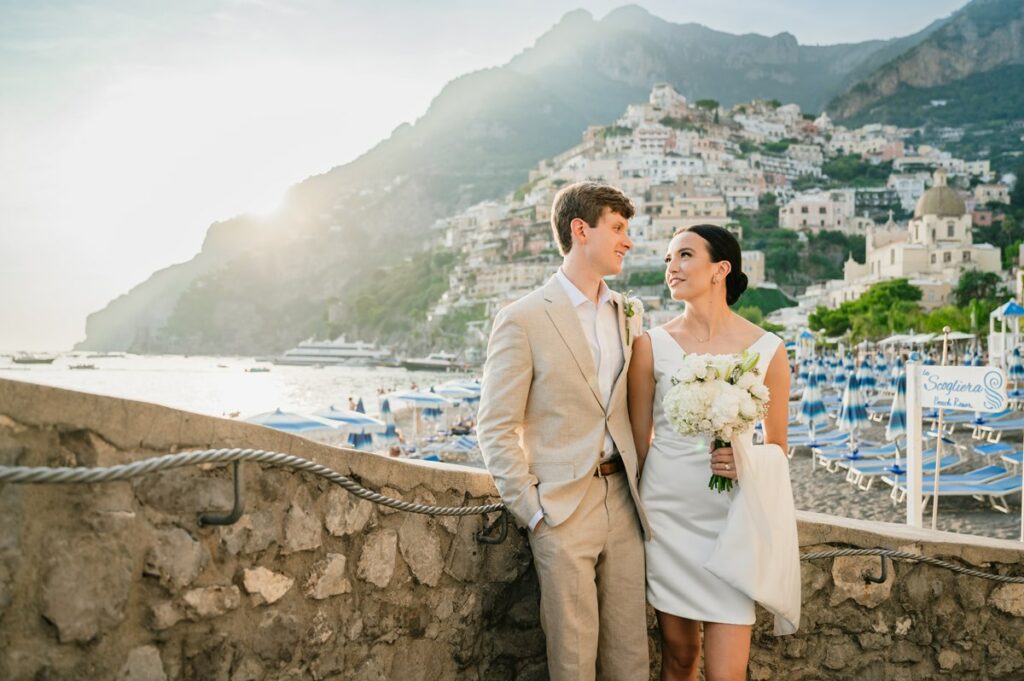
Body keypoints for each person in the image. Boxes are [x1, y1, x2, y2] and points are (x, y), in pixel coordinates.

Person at [478, 181, 651, 681]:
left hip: (623, 502)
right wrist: (533, 513)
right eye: (618, 228)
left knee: (630, 660)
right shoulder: (523, 319)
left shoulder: (627, 314)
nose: (628, 241)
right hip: (561, 509)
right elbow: (495, 426)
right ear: (581, 230)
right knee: (572, 662)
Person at [627, 224, 796, 681]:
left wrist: (748, 463)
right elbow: (638, 443)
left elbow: (779, 448)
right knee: (679, 660)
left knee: (727, 673)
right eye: (667, 259)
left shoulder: (768, 350)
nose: (671, 267)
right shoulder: (650, 345)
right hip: (667, 520)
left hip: (731, 525)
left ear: (721, 269)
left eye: (683, 255)